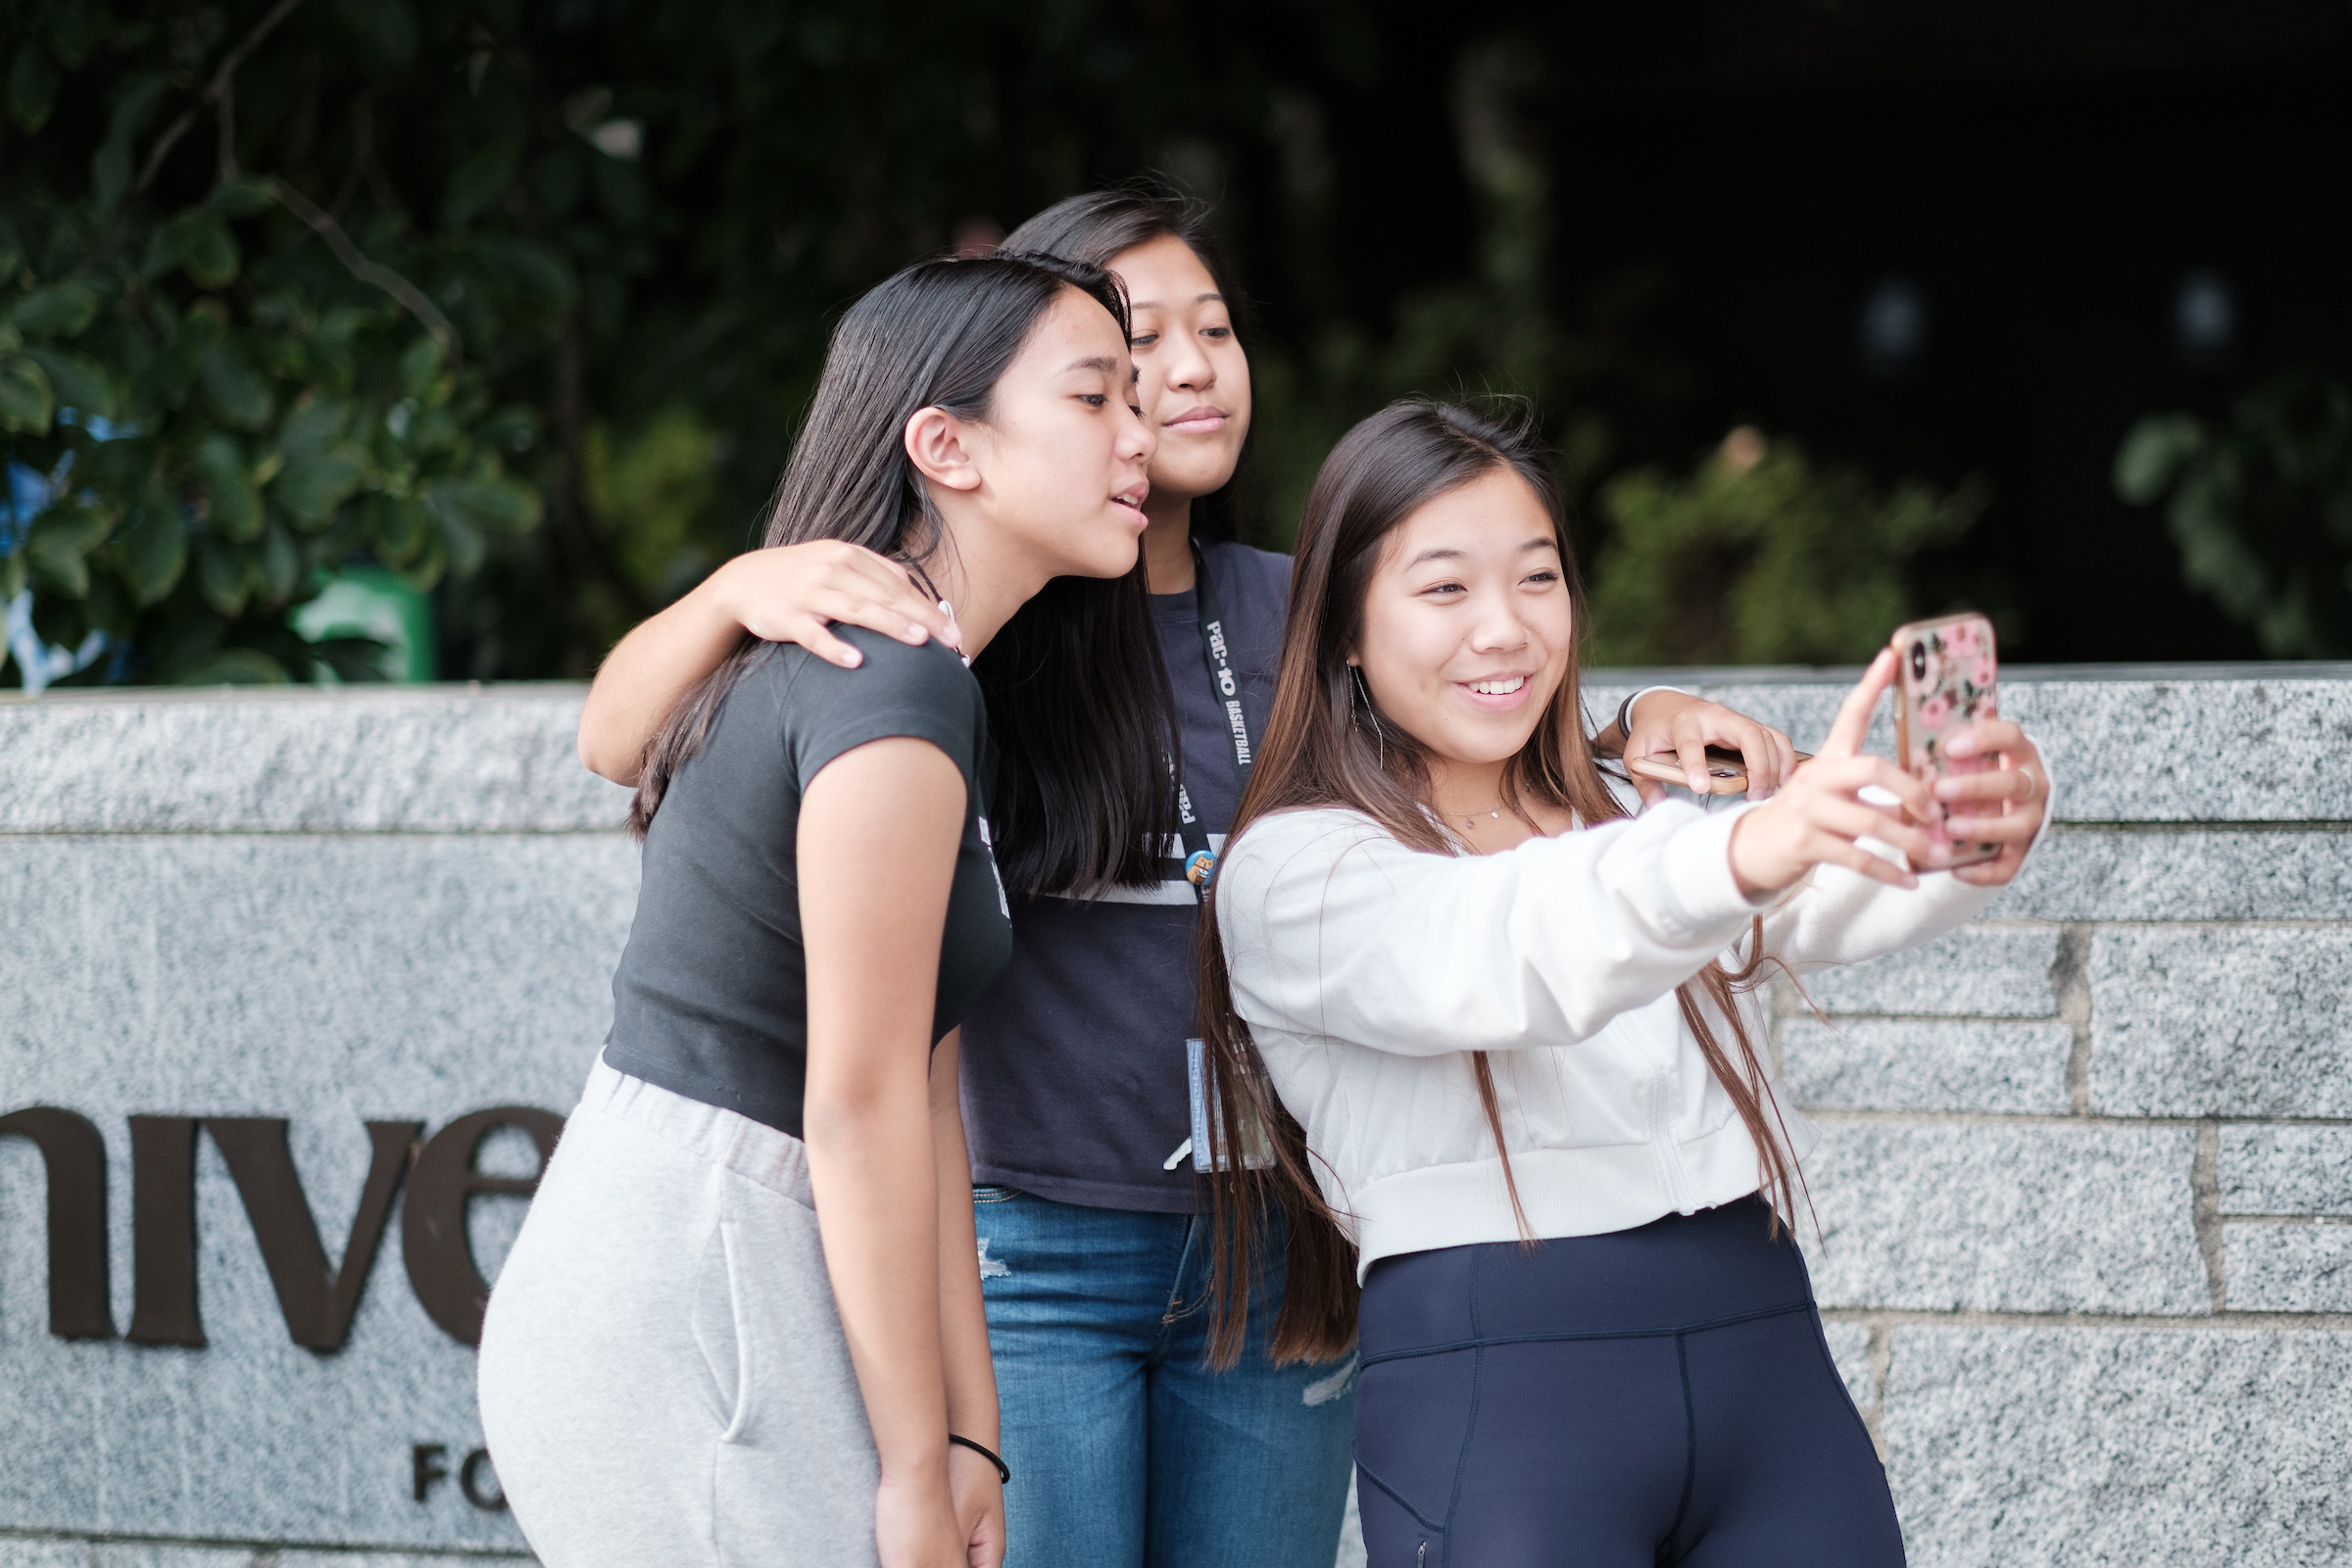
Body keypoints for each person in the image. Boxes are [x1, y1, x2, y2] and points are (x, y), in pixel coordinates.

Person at [570, 189, 1801, 1567]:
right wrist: (740, 584)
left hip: (1270, 1247)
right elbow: (623, 740)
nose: (1193, 367)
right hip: (1039, 1251)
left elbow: (1485, 708)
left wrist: (1633, 724)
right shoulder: (990, 620)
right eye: (1133, 346)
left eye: (1215, 326)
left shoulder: (1291, 604)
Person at [1200, 401, 2053, 1568]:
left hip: (1766, 1352)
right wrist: (1742, 845)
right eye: (1444, 589)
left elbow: (1816, 894)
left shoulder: (1637, 805)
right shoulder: (1295, 869)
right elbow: (1510, 947)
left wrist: (1964, 837)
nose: (1504, 630)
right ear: (1345, 625)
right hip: (1505, 1392)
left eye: (1537, 578)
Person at [476, 250, 1158, 1568]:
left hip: (747, 1257)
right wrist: (913, 1468)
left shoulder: (935, 681)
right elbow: (855, 1107)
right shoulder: (887, 683)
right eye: (1096, 399)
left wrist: (969, 1439)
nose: (1143, 434)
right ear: (946, 446)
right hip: (699, 1278)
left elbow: (926, 1090)